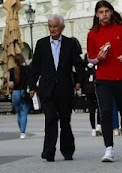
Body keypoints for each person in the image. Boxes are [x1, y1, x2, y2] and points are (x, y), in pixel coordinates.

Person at [27, 14, 85, 162]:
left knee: (65, 121)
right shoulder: (42, 44)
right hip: (47, 89)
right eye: (50, 26)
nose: (52, 29)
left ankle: (67, 150)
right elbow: (35, 67)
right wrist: (32, 86)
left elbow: (78, 64)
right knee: (51, 119)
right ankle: (48, 150)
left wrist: (79, 81)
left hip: (65, 88)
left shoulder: (70, 44)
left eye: (55, 26)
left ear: (62, 28)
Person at [87, 0, 122, 162]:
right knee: (106, 112)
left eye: (107, 11)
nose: (104, 14)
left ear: (111, 12)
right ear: (97, 15)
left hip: (121, 76)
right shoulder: (92, 33)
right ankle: (109, 149)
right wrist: (98, 58)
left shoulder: (120, 28)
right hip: (103, 79)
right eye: (101, 12)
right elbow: (90, 57)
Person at [8, 53, 31, 139]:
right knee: (24, 112)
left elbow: (11, 85)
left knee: (19, 114)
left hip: (15, 93)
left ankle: (21, 131)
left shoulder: (12, 71)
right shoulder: (27, 69)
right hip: (24, 92)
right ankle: (22, 132)